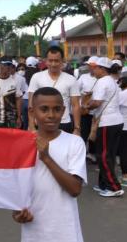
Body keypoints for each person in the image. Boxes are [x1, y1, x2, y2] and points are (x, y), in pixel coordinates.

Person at [12, 87, 86, 242]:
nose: (51, 115)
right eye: (44, 109)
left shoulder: (74, 142)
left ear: (64, 111)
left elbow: (75, 189)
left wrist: (46, 157)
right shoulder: (21, 146)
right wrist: (17, 213)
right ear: (32, 113)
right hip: (34, 230)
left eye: (57, 109)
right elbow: (17, 190)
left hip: (65, 231)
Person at [86, 57, 124, 197]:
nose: (93, 69)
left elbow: (97, 102)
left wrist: (86, 105)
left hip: (107, 121)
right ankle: (104, 184)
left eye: (95, 67)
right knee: (109, 155)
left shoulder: (102, 82)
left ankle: (114, 187)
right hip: (115, 121)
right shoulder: (111, 81)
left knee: (103, 156)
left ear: (102, 69)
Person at [28, 46, 81, 134]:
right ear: (46, 61)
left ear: (62, 61)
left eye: (56, 61)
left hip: (64, 123)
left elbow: (75, 105)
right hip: (41, 122)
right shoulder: (36, 77)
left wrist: (77, 128)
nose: (53, 64)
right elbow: (31, 104)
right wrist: (31, 126)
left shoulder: (71, 79)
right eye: (50, 60)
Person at [79, 57, 98, 162]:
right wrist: (83, 95)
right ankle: (81, 154)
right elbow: (76, 90)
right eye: (89, 66)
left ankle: (92, 153)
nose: (90, 68)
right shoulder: (83, 77)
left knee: (95, 133)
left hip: (97, 111)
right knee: (84, 133)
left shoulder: (101, 78)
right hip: (85, 110)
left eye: (92, 66)